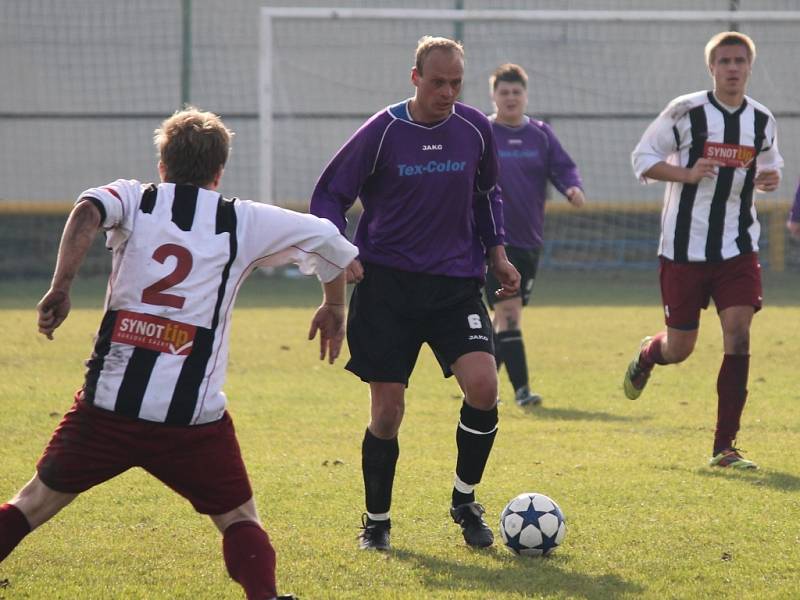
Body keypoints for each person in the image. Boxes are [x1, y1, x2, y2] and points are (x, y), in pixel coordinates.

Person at [0, 107, 358, 600]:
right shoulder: (243, 219)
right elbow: (330, 240)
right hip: (191, 420)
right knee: (237, 518)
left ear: (162, 166)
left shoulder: (135, 197)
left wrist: (61, 287)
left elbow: (86, 209)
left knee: (34, 501)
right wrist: (334, 304)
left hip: (108, 407)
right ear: (219, 172)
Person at [310, 36, 520, 551]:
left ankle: (465, 500)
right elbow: (328, 196)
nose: (447, 92)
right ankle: (377, 522)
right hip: (387, 287)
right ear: (415, 78)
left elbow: (487, 192)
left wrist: (497, 253)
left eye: (455, 83)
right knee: (386, 413)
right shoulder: (383, 132)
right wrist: (341, 249)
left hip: (455, 285)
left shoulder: (474, 128)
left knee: (485, 388)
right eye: (437, 82)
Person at [626, 32, 783, 469]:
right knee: (680, 349)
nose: (732, 68)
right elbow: (642, 158)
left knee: (738, 333)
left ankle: (724, 447)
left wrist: (771, 179)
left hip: (738, 246)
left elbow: (771, 166)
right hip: (683, 248)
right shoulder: (685, 111)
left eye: (739, 61)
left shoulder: (762, 120)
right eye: (724, 61)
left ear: (749, 67)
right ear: (711, 67)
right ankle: (647, 355)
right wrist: (686, 172)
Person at [486, 63, 586, 407]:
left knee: (504, 318)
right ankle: (522, 392)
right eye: (504, 92)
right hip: (490, 241)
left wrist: (572, 187)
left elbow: (563, 166)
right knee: (509, 314)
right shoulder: (483, 132)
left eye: (516, 92)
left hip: (529, 241)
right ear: (494, 96)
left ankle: (481, 385)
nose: (510, 98)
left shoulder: (540, 134)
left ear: (525, 96)